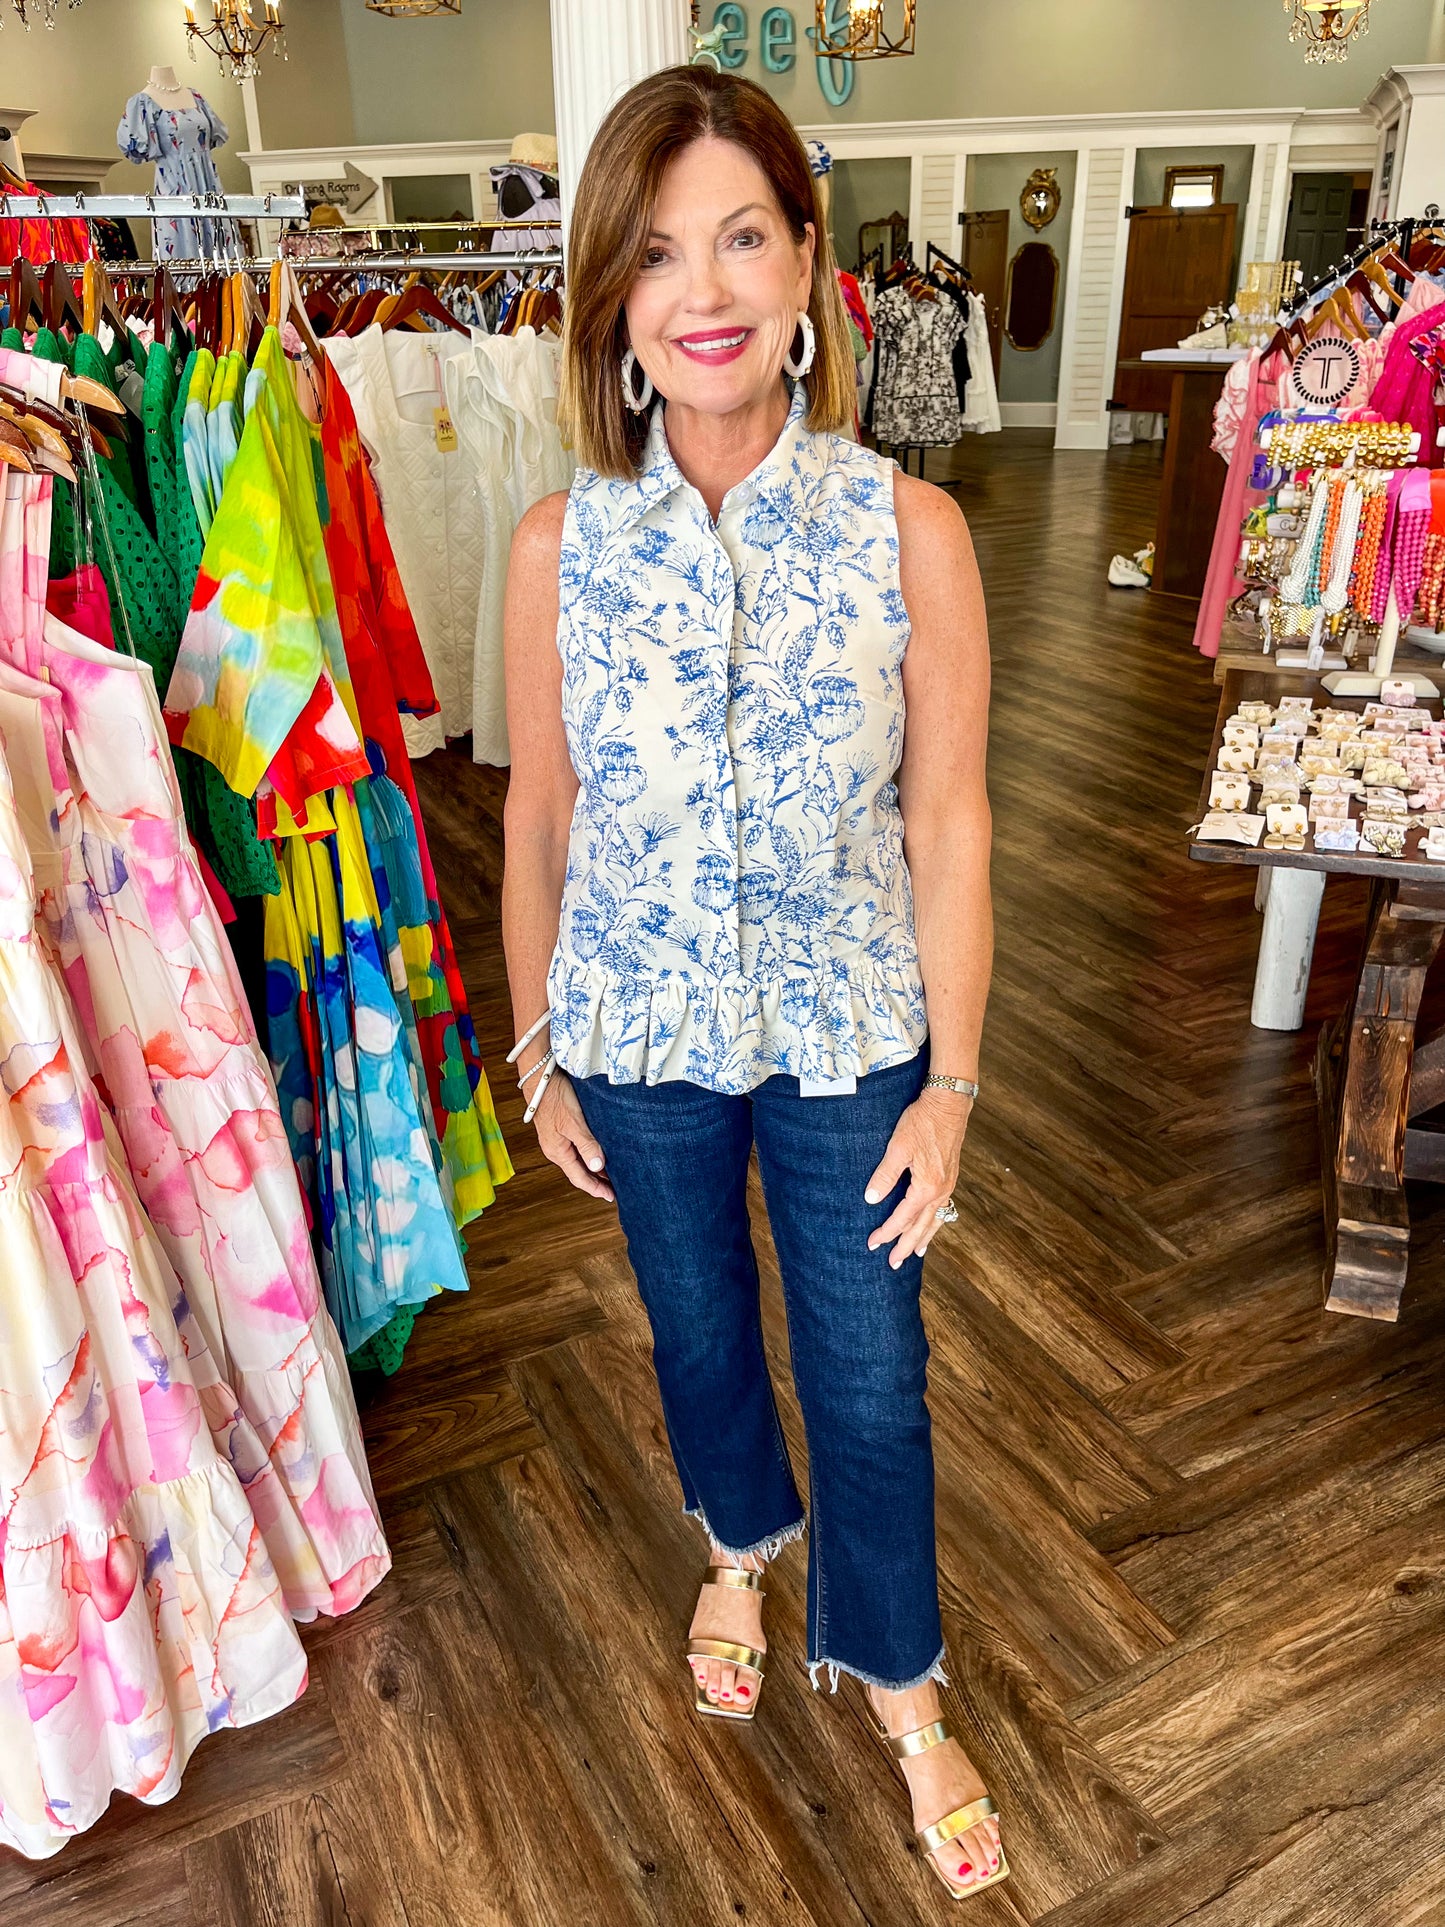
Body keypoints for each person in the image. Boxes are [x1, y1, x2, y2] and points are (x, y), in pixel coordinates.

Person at [501, 65, 999, 1902]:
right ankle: (736, 1542)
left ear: (804, 269)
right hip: (633, 1034)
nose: (699, 289)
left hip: (852, 1031)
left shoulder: (908, 533)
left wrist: (951, 1083)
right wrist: (539, 1040)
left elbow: (948, 825)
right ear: (616, 309)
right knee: (698, 1333)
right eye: (653, 254)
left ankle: (900, 1677)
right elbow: (535, 822)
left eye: (737, 238)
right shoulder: (559, 547)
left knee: (873, 1375)